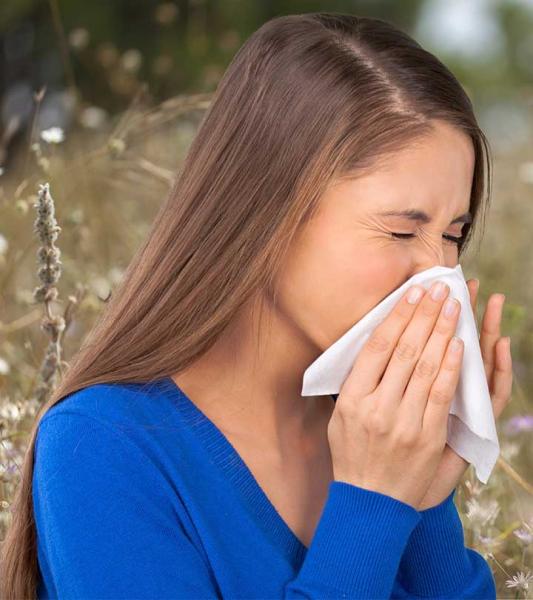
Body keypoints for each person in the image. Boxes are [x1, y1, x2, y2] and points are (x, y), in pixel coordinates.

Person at [1, 12, 512, 600]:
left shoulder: (381, 437)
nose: (439, 273)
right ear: (268, 215)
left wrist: (423, 504)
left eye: (453, 234)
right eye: (401, 233)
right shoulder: (105, 447)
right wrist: (372, 505)